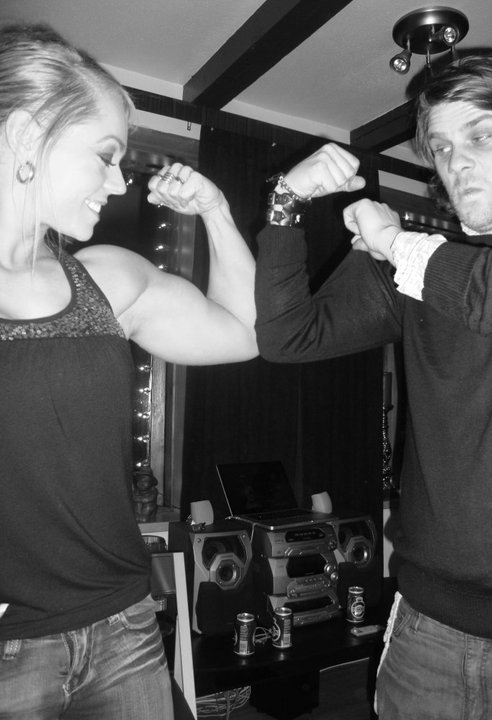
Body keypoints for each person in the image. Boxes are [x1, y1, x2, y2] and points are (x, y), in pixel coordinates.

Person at [255, 52, 492, 719]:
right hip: (424, 633)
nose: (456, 162)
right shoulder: (417, 276)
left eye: (480, 136)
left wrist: (396, 243)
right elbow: (288, 336)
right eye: (441, 147)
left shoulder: (419, 261)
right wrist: (286, 202)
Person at [0, 22, 257, 720]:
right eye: (105, 156)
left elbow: (244, 333)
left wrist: (215, 211)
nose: (119, 183)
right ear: (26, 136)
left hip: (123, 629)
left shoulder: (103, 280)